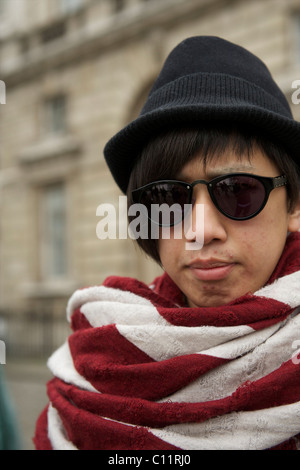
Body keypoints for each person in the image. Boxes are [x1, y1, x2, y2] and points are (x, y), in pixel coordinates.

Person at [34, 36, 300, 450]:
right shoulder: (93, 366)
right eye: (167, 199)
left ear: (294, 205)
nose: (200, 230)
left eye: (238, 191)